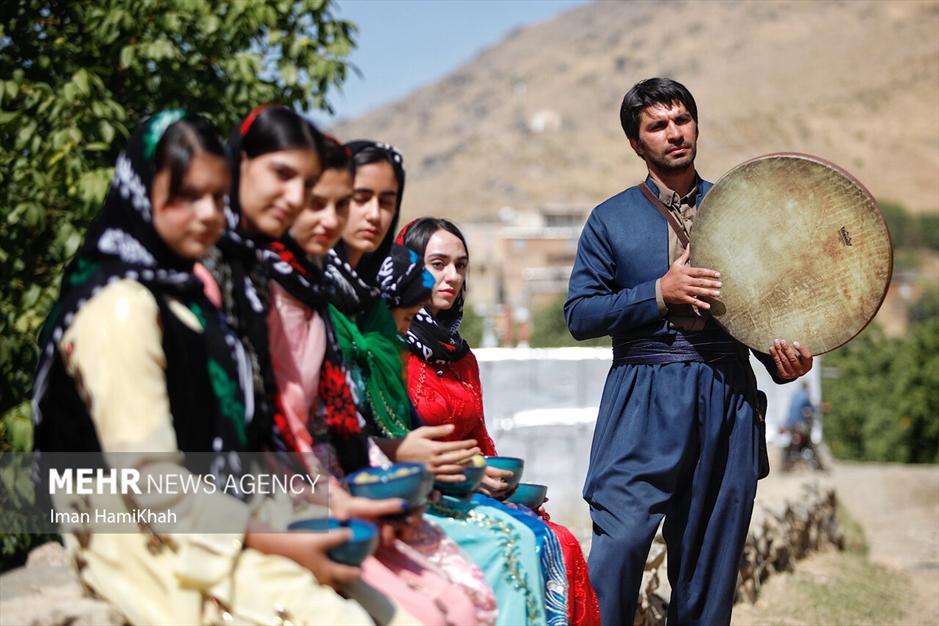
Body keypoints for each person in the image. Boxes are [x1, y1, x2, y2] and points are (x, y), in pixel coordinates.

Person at [31, 111, 375, 624]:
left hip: (217, 518)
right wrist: (281, 537)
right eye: (187, 195)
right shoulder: (119, 306)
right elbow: (151, 483)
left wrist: (324, 508)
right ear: (142, 191)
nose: (210, 213)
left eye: (218, 196)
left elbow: (231, 454)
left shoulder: (187, 298)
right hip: (146, 545)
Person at [564, 77, 815, 625]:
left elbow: (763, 310)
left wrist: (784, 362)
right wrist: (658, 292)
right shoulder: (610, 219)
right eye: (658, 126)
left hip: (727, 396)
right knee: (618, 547)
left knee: (708, 569)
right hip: (642, 398)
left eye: (682, 120)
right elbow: (579, 314)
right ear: (637, 143)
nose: (674, 133)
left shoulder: (742, 210)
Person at [266, 135, 485, 625]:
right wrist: (387, 465)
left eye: (386, 201)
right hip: (292, 493)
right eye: (356, 198)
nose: (372, 215)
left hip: (359, 484)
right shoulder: (284, 293)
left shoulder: (362, 306)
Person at [400, 217, 602, 626]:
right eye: (437, 264)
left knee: (561, 540)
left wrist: (503, 483)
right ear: (406, 268)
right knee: (520, 542)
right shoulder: (390, 348)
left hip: (470, 490)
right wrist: (468, 477)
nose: (452, 276)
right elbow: (387, 441)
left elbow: (479, 439)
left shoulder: (462, 357)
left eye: (460, 265)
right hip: (418, 495)